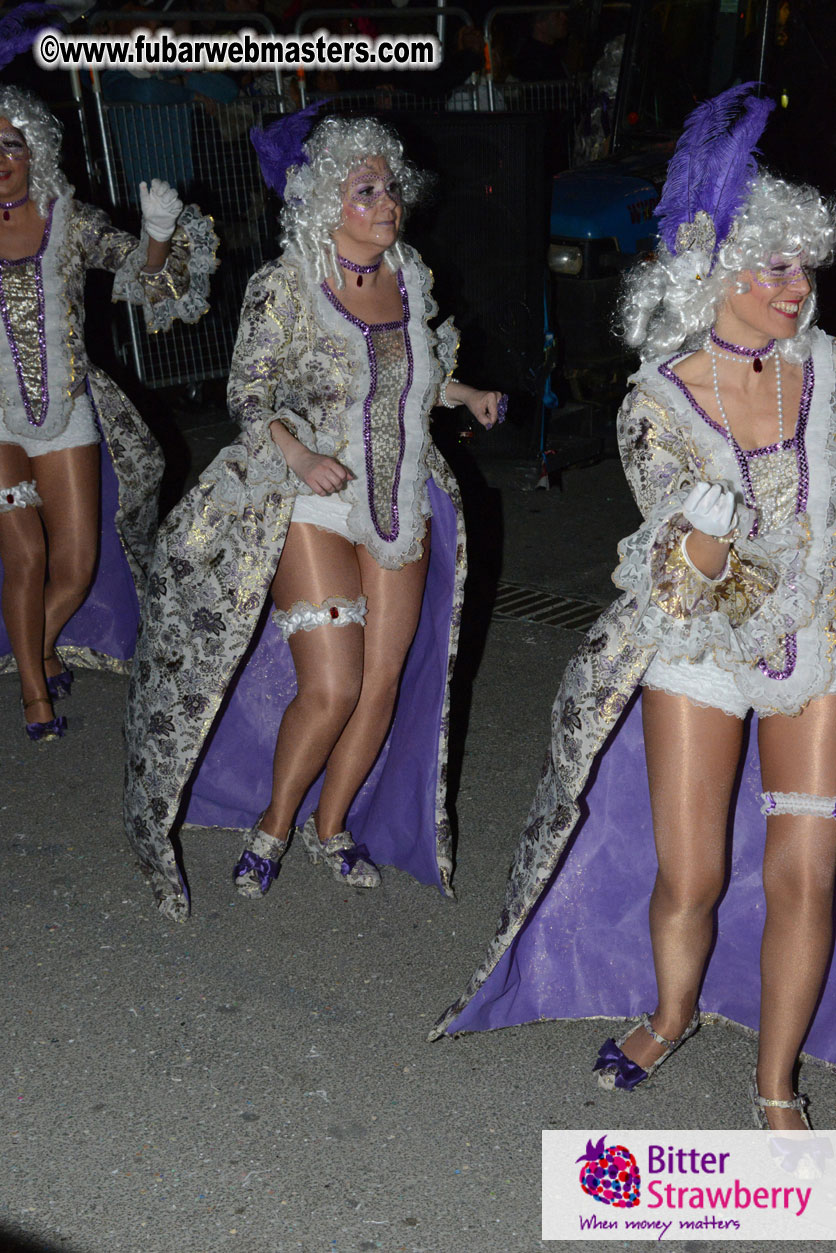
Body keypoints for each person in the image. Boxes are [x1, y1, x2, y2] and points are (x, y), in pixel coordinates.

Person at [430, 85, 836, 1132]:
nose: (798, 288)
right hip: (695, 639)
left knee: (806, 872)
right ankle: (670, 1011)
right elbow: (669, 566)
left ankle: (777, 1087)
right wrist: (697, 536)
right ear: (713, 270)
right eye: (776, 266)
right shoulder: (657, 398)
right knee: (690, 873)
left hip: (814, 633)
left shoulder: (826, 370)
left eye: (804, 266)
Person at [123, 113, 506, 921]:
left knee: (382, 682)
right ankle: (273, 825)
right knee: (333, 685)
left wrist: (464, 393)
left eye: (390, 187)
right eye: (367, 190)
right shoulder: (287, 284)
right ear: (327, 202)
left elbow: (415, 374)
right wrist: (298, 456)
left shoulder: (408, 272)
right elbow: (248, 394)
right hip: (310, 498)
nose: (387, 203)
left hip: (397, 496)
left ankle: (332, 827)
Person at [0, 85, 217, 741]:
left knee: (76, 566)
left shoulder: (68, 219)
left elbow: (147, 278)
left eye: (11, 143)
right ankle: (36, 695)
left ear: (34, 151)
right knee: (26, 558)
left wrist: (157, 236)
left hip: (66, 410)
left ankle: (37, 647)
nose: (0, 159)